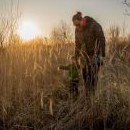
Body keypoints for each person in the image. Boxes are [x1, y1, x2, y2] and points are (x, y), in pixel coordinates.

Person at [72, 12, 106, 94]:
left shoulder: (94, 25)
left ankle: (93, 96)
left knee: (92, 76)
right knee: (85, 76)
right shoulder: (77, 30)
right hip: (84, 57)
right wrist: (76, 58)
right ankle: (88, 95)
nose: (77, 27)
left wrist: (100, 55)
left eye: (78, 24)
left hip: (95, 56)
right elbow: (77, 45)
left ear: (82, 20)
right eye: (75, 25)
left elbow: (102, 40)